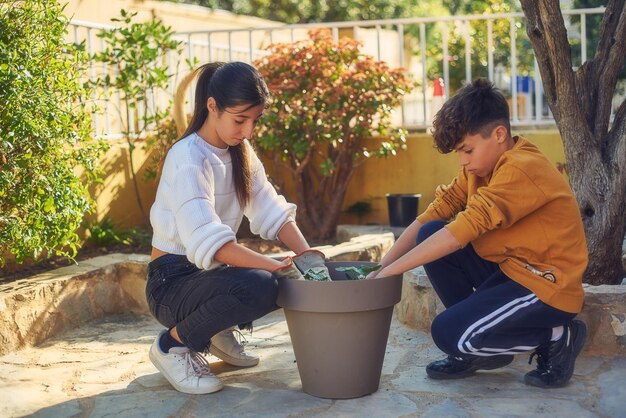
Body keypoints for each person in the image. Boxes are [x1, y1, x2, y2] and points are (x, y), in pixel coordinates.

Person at [369, 78, 588, 388]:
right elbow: (431, 217)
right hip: (511, 272)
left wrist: (390, 273)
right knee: (430, 231)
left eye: (467, 150)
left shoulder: (521, 169)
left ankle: (556, 336)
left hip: (545, 286)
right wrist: (381, 268)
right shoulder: (481, 168)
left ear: (499, 134)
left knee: (447, 333)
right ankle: (476, 344)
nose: (463, 161)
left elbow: (461, 232)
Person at [146, 61, 327, 395]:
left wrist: (310, 259)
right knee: (261, 283)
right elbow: (211, 244)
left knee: (289, 279)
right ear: (212, 106)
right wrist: (275, 266)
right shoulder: (187, 157)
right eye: (240, 119)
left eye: (254, 120)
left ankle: (215, 329)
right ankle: (171, 346)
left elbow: (271, 208)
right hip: (170, 285)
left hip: (208, 276)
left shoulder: (240, 152)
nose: (248, 131)